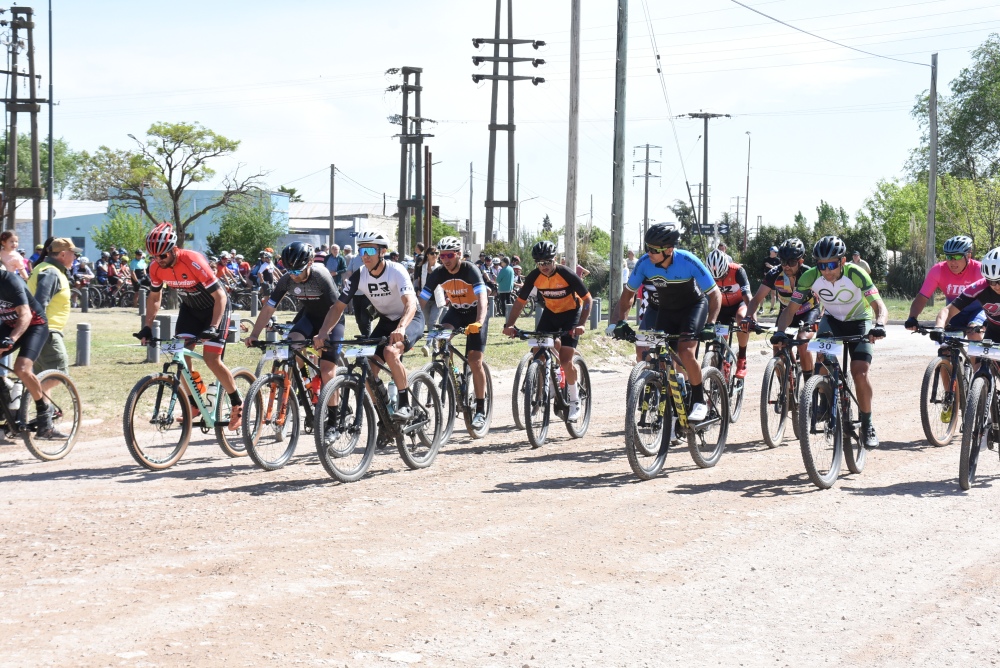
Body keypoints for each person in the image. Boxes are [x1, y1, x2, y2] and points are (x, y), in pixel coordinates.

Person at [774, 235, 887, 448]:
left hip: (859, 321)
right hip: (832, 321)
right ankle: (825, 402)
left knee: (859, 371)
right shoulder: (809, 277)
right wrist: (780, 331)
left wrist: (879, 324)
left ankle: (867, 423)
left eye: (832, 265)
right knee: (822, 361)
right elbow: (791, 309)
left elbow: (879, 305)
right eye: (822, 265)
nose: (826, 270)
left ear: (842, 261)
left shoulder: (856, 273)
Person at [607, 223, 721, 421]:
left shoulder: (688, 261)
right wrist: (621, 321)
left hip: (693, 308)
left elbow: (714, 294)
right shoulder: (644, 264)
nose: (649, 253)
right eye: (647, 247)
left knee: (685, 352)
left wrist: (711, 323)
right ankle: (673, 414)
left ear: (669, 250)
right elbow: (628, 295)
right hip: (666, 311)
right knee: (661, 361)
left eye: (654, 250)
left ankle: (698, 400)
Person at [136, 223, 244, 431]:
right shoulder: (156, 267)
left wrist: (213, 326)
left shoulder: (193, 260)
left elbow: (220, 295)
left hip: (215, 308)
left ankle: (237, 403)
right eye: (154, 257)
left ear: (174, 249)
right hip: (191, 310)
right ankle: (195, 403)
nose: (158, 260)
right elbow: (155, 297)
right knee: (181, 356)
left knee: (212, 359)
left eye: (163, 256)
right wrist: (147, 326)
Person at [314, 230, 424, 422]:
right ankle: (385, 415)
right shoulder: (360, 275)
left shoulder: (396, 270)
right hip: (387, 320)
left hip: (410, 318)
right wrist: (323, 332)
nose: (365, 256)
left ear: (382, 252)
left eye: (370, 251)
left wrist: (401, 328)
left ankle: (406, 405)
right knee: (368, 369)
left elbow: (411, 304)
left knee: (390, 353)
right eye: (361, 251)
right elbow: (338, 307)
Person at [245, 242, 345, 433]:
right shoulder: (286, 279)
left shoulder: (321, 275)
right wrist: (254, 334)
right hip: (309, 316)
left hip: (332, 319)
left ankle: (333, 422)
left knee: (327, 370)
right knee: (292, 343)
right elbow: (269, 307)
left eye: (298, 270)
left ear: (309, 263)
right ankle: (307, 382)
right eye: (289, 270)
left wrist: (323, 333)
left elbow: (336, 308)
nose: (294, 275)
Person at [503, 240, 593, 422]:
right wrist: (509, 325)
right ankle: (547, 383)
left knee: (567, 360)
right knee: (538, 351)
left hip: (571, 315)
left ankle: (575, 400)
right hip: (551, 314)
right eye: (539, 263)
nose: (543, 267)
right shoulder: (534, 276)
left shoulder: (566, 274)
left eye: (547, 262)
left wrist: (581, 324)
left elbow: (588, 299)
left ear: (555, 259)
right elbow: (520, 302)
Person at [419, 236, 490, 429]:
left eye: (450, 255)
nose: (446, 259)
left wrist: (480, 321)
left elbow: (483, 298)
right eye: (442, 256)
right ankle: (451, 373)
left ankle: (481, 410)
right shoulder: (438, 273)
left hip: (475, 312)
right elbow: (422, 300)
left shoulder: (470, 270)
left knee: (475, 360)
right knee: (441, 339)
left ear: (459, 254)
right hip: (456, 312)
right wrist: (412, 323)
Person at [0, 261, 62, 437]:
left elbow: (26, 315)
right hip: (9, 324)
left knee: (21, 368)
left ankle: (44, 413)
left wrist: (12, 339)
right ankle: (7, 399)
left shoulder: (11, 281)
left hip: (34, 325)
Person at [904, 235, 984, 338]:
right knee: (946, 348)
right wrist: (912, 317)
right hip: (954, 312)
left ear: (968, 256)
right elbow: (922, 297)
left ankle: (976, 354)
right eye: (949, 257)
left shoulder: (980, 270)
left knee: (973, 332)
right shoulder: (938, 270)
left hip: (977, 311)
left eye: (958, 256)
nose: (952, 261)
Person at [27, 238, 77, 378]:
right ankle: (33, 397)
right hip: (47, 332)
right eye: (73, 253)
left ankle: (41, 400)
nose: (75, 257)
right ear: (62, 254)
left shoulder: (45, 268)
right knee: (59, 374)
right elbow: (40, 303)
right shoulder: (51, 272)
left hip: (42, 331)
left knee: (43, 375)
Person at [705, 249, 753, 378]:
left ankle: (742, 358)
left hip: (739, 304)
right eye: (715, 278)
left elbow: (747, 295)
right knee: (720, 339)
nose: (718, 279)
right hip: (721, 308)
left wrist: (753, 318)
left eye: (721, 276)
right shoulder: (706, 274)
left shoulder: (738, 271)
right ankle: (720, 366)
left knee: (742, 318)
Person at [342, 242, 372, 336]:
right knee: (358, 319)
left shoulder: (370, 259)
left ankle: (367, 338)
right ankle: (364, 336)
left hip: (367, 293)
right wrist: (346, 280)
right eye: (360, 248)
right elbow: (349, 272)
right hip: (356, 293)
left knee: (365, 317)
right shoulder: (354, 258)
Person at [762, 246, 781, 314]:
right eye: (775, 252)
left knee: (773, 294)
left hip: (774, 279)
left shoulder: (778, 260)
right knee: (763, 294)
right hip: (766, 279)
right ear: (771, 251)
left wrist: (771, 266)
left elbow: (779, 270)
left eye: (776, 252)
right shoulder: (766, 259)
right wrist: (763, 274)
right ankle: (761, 308)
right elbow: (761, 268)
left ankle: (772, 309)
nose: (776, 253)